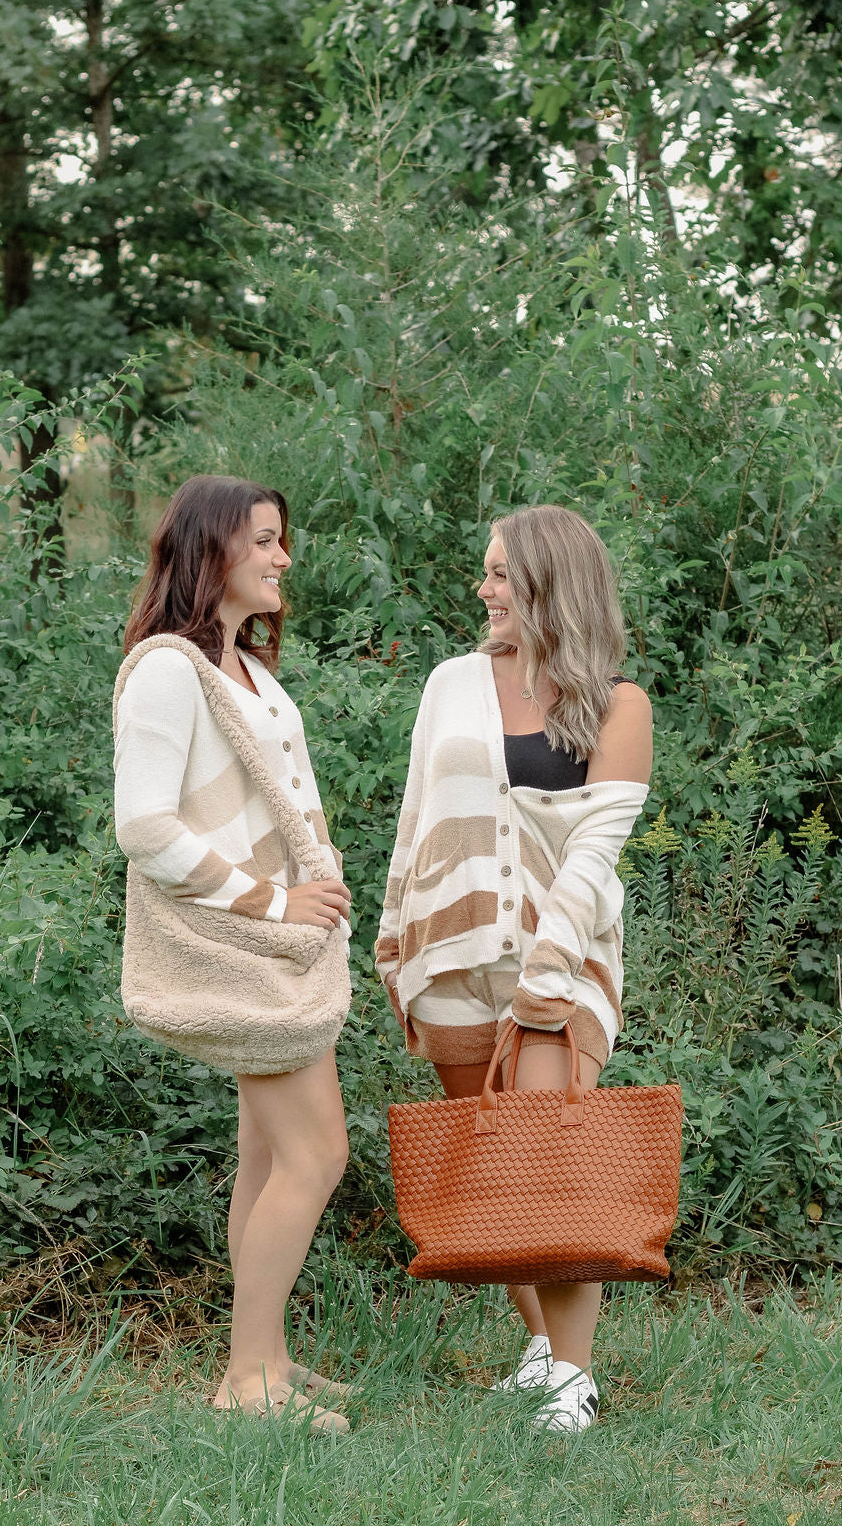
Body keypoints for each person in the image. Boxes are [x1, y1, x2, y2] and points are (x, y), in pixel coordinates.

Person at [376, 503, 653, 1433]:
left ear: (548, 583)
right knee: (496, 1172)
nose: (483, 590)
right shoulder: (450, 683)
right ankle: (538, 1352)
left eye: (500, 574)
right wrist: (391, 944)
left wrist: (546, 973)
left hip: (564, 959)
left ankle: (574, 1380)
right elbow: (418, 817)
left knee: (554, 1160)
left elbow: (595, 850)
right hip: (449, 954)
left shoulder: (618, 704)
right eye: (485, 572)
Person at [113, 475, 353, 1433]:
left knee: (266, 1154)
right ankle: (247, 1381)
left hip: (285, 951)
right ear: (211, 550)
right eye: (263, 540)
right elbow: (144, 827)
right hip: (253, 942)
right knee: (317, 1153)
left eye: (281, 539)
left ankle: (266, 1358)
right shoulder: (171, 669)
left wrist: (308, 900)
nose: (281, 556)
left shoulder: (244, 667)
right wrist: (275, 903)